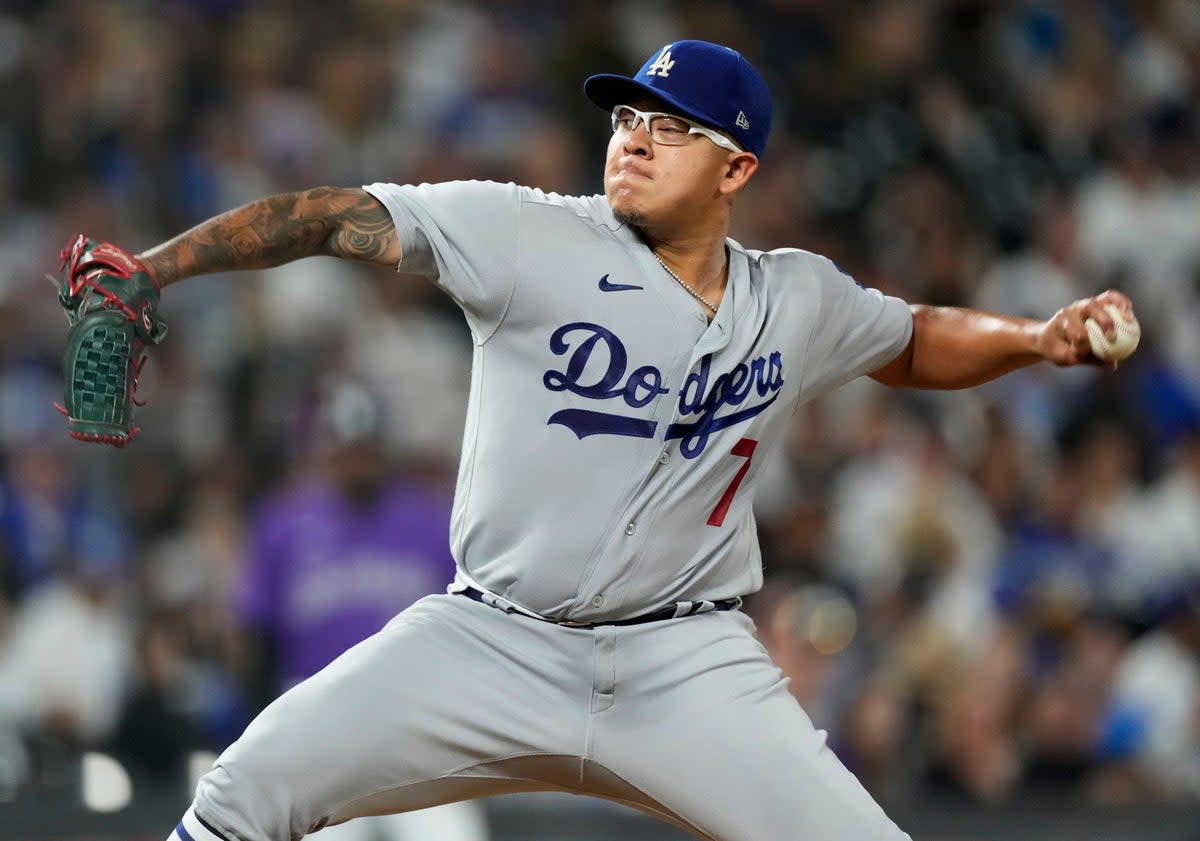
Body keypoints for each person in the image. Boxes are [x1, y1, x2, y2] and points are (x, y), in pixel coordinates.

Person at [95, 40, 1133, 841]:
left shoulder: (796, 297)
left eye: (671, 127)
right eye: (629, 115)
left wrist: (1037, 338)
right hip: (493, 638)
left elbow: (914, 338)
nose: (633, 136)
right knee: (241, 790)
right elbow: (329, 216)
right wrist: (156, 268)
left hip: (687, 661)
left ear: (737, 168)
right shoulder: (527, 233)